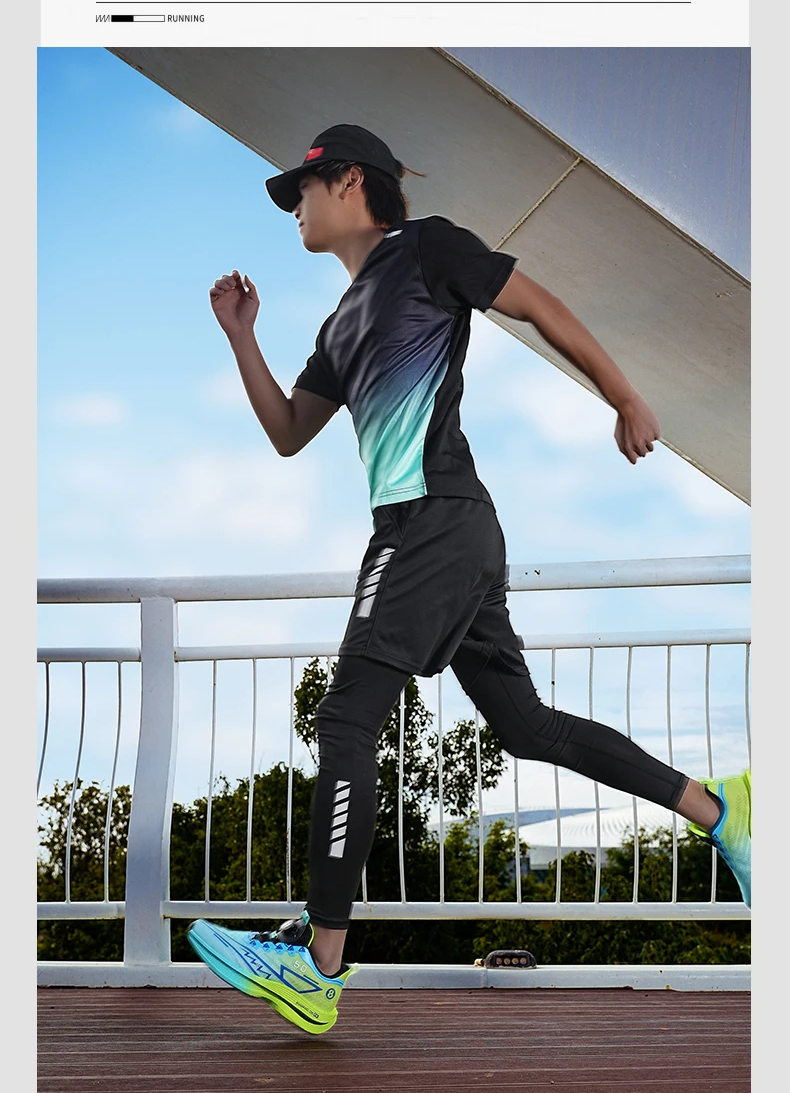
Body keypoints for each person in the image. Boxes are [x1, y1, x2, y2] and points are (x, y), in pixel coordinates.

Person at [188, 123, 751, 1034]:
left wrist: (625, 395)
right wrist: (242, 337)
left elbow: (535, 303)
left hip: (431, 522)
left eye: (305, 188)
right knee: (524, 726)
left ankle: (318, 964)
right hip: (447, 531)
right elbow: (290, 431)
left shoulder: (426, 249)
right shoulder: (340, 325)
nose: (295, 205)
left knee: (346, 720)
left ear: (352, 183)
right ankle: (719, 811)